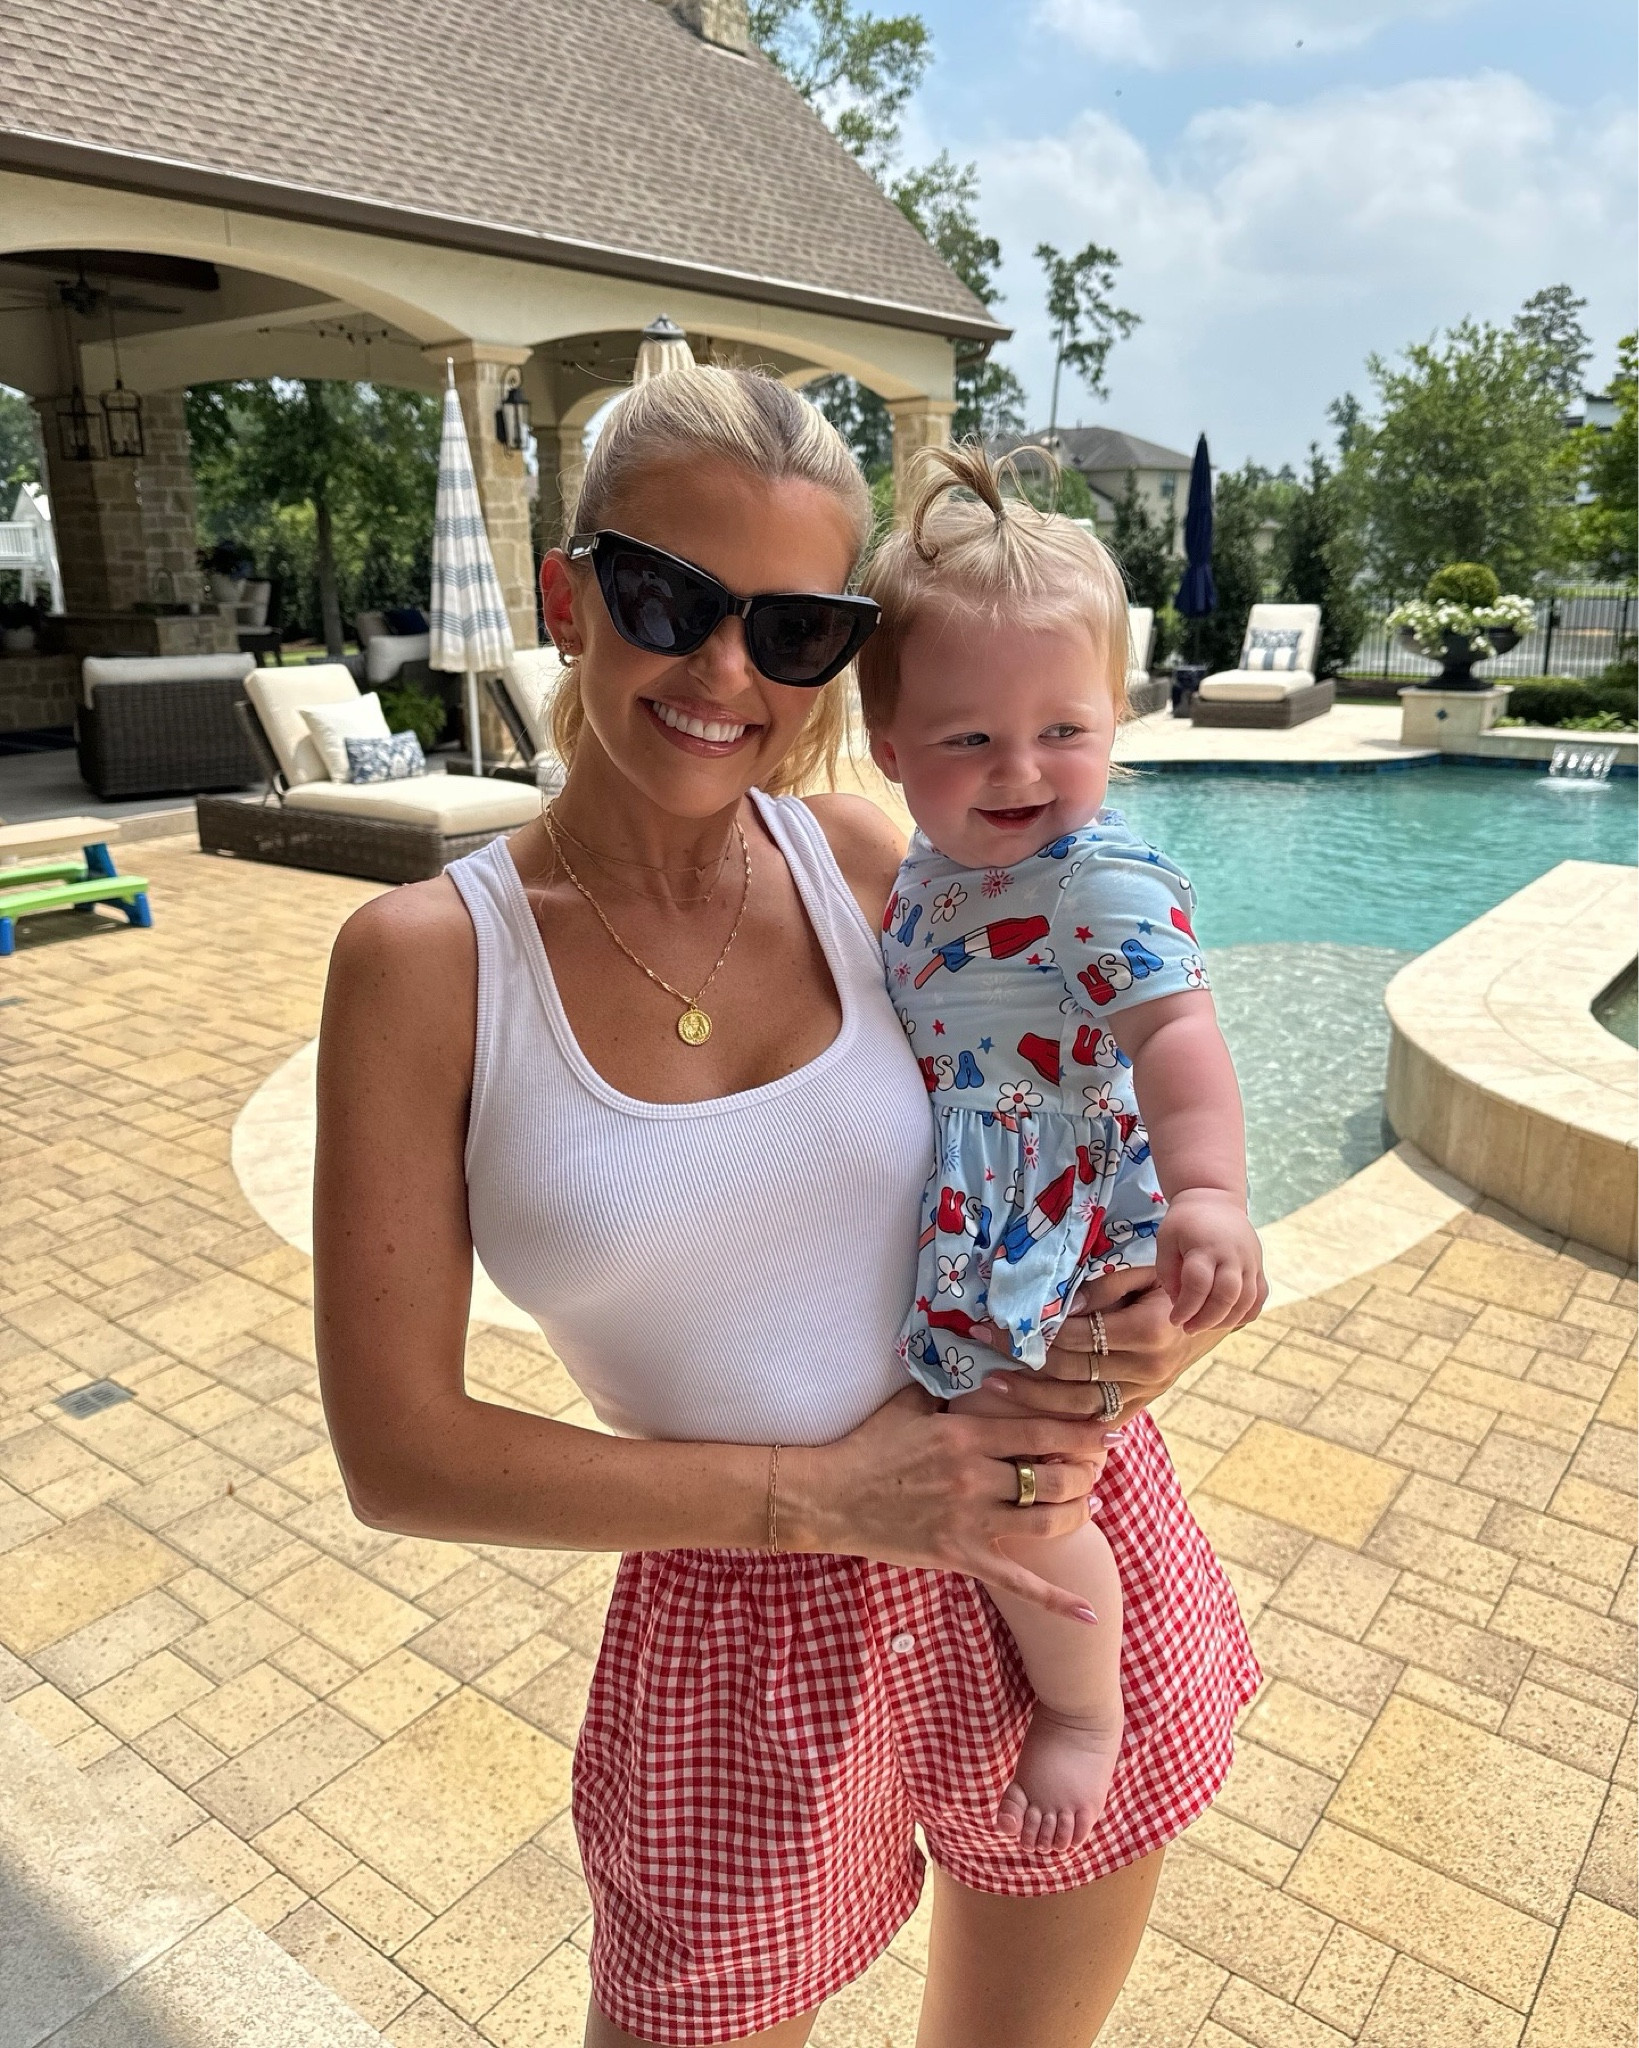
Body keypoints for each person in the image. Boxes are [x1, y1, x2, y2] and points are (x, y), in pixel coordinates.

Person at [314, 365, 1260, 2048]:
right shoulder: (429, 966)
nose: (725, 672)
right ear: (570, 598)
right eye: (666, 598)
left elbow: (1083, 1115)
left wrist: (1135, 1343)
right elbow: (401, 1456)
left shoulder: (873, 864)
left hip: (1043, 1527)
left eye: (795, 628)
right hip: (741, 1612)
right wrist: (825, 1497)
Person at [859, 443, 1265, 1857]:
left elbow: (1179, 1038)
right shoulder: (923, 872)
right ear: (887, 746)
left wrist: (1209, 1195)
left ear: (1117, 718)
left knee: (1027, 1494)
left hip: (1066, 1233)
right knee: (987, 1476)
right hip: (990, 1218)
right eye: (968, 738)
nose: (1021, 769)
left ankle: (1085, 1710)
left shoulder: (1099, 879)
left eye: (1063, 729)